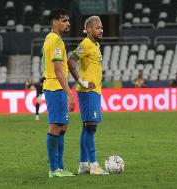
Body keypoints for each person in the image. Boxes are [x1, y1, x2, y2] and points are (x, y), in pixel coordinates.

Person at [68, 16, 109, 175]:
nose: (101, 30)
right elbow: (71, 61)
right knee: (90, 127)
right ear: (89, 29)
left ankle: (83, 164)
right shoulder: (85, 44)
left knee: (87, 128)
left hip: (95, 91)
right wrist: (81, 81)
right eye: (98, 27)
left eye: (102, 27)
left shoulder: (96, 45)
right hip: (87, 91)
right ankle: (94, 166)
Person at [42, 8, 75, 178]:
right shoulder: (56, 41)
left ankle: (60, 167)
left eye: (68, 20)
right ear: (55, 22)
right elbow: (58, 70)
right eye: (64, 20)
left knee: (62, 126)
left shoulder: (51, 38)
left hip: (56, 88)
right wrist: (69, 93)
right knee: (55, 126)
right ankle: (54, 169)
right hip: (55, 88)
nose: (67, 23)